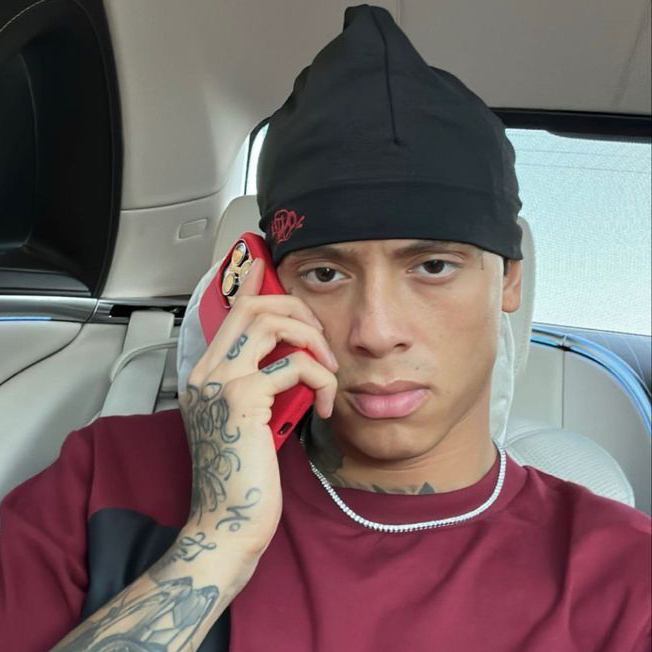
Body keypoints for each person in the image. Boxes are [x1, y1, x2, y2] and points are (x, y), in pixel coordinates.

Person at [1, 5, 650, 652]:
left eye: (432, 266)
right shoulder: (105, 478)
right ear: (266, 288)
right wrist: (218, 538)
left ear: (509, 280)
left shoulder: (623, 579)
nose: (376, 332)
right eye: (325, 274)